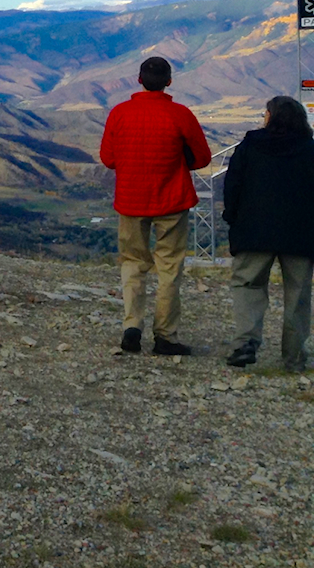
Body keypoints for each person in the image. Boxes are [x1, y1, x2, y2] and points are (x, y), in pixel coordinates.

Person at [99, 56, 212, 356]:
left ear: (139, 80)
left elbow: (108, 159)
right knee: (169, 268)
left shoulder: (119, 113)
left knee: (133, 263)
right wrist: (180, 162)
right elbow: (202, 158)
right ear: (169, 81)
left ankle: (132, 326)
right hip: (172, 201)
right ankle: (165, 336)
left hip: (131, 200)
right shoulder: (180, 115)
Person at [222, 96, 314, 370]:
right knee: (298, 293)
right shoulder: (310, 149)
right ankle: (294, 357)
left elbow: (232, 184)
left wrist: (233, 217)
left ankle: (245, 342)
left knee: (248, 284)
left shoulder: (250, 145)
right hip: (301, 234)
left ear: (270, 117)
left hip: (253, 230)